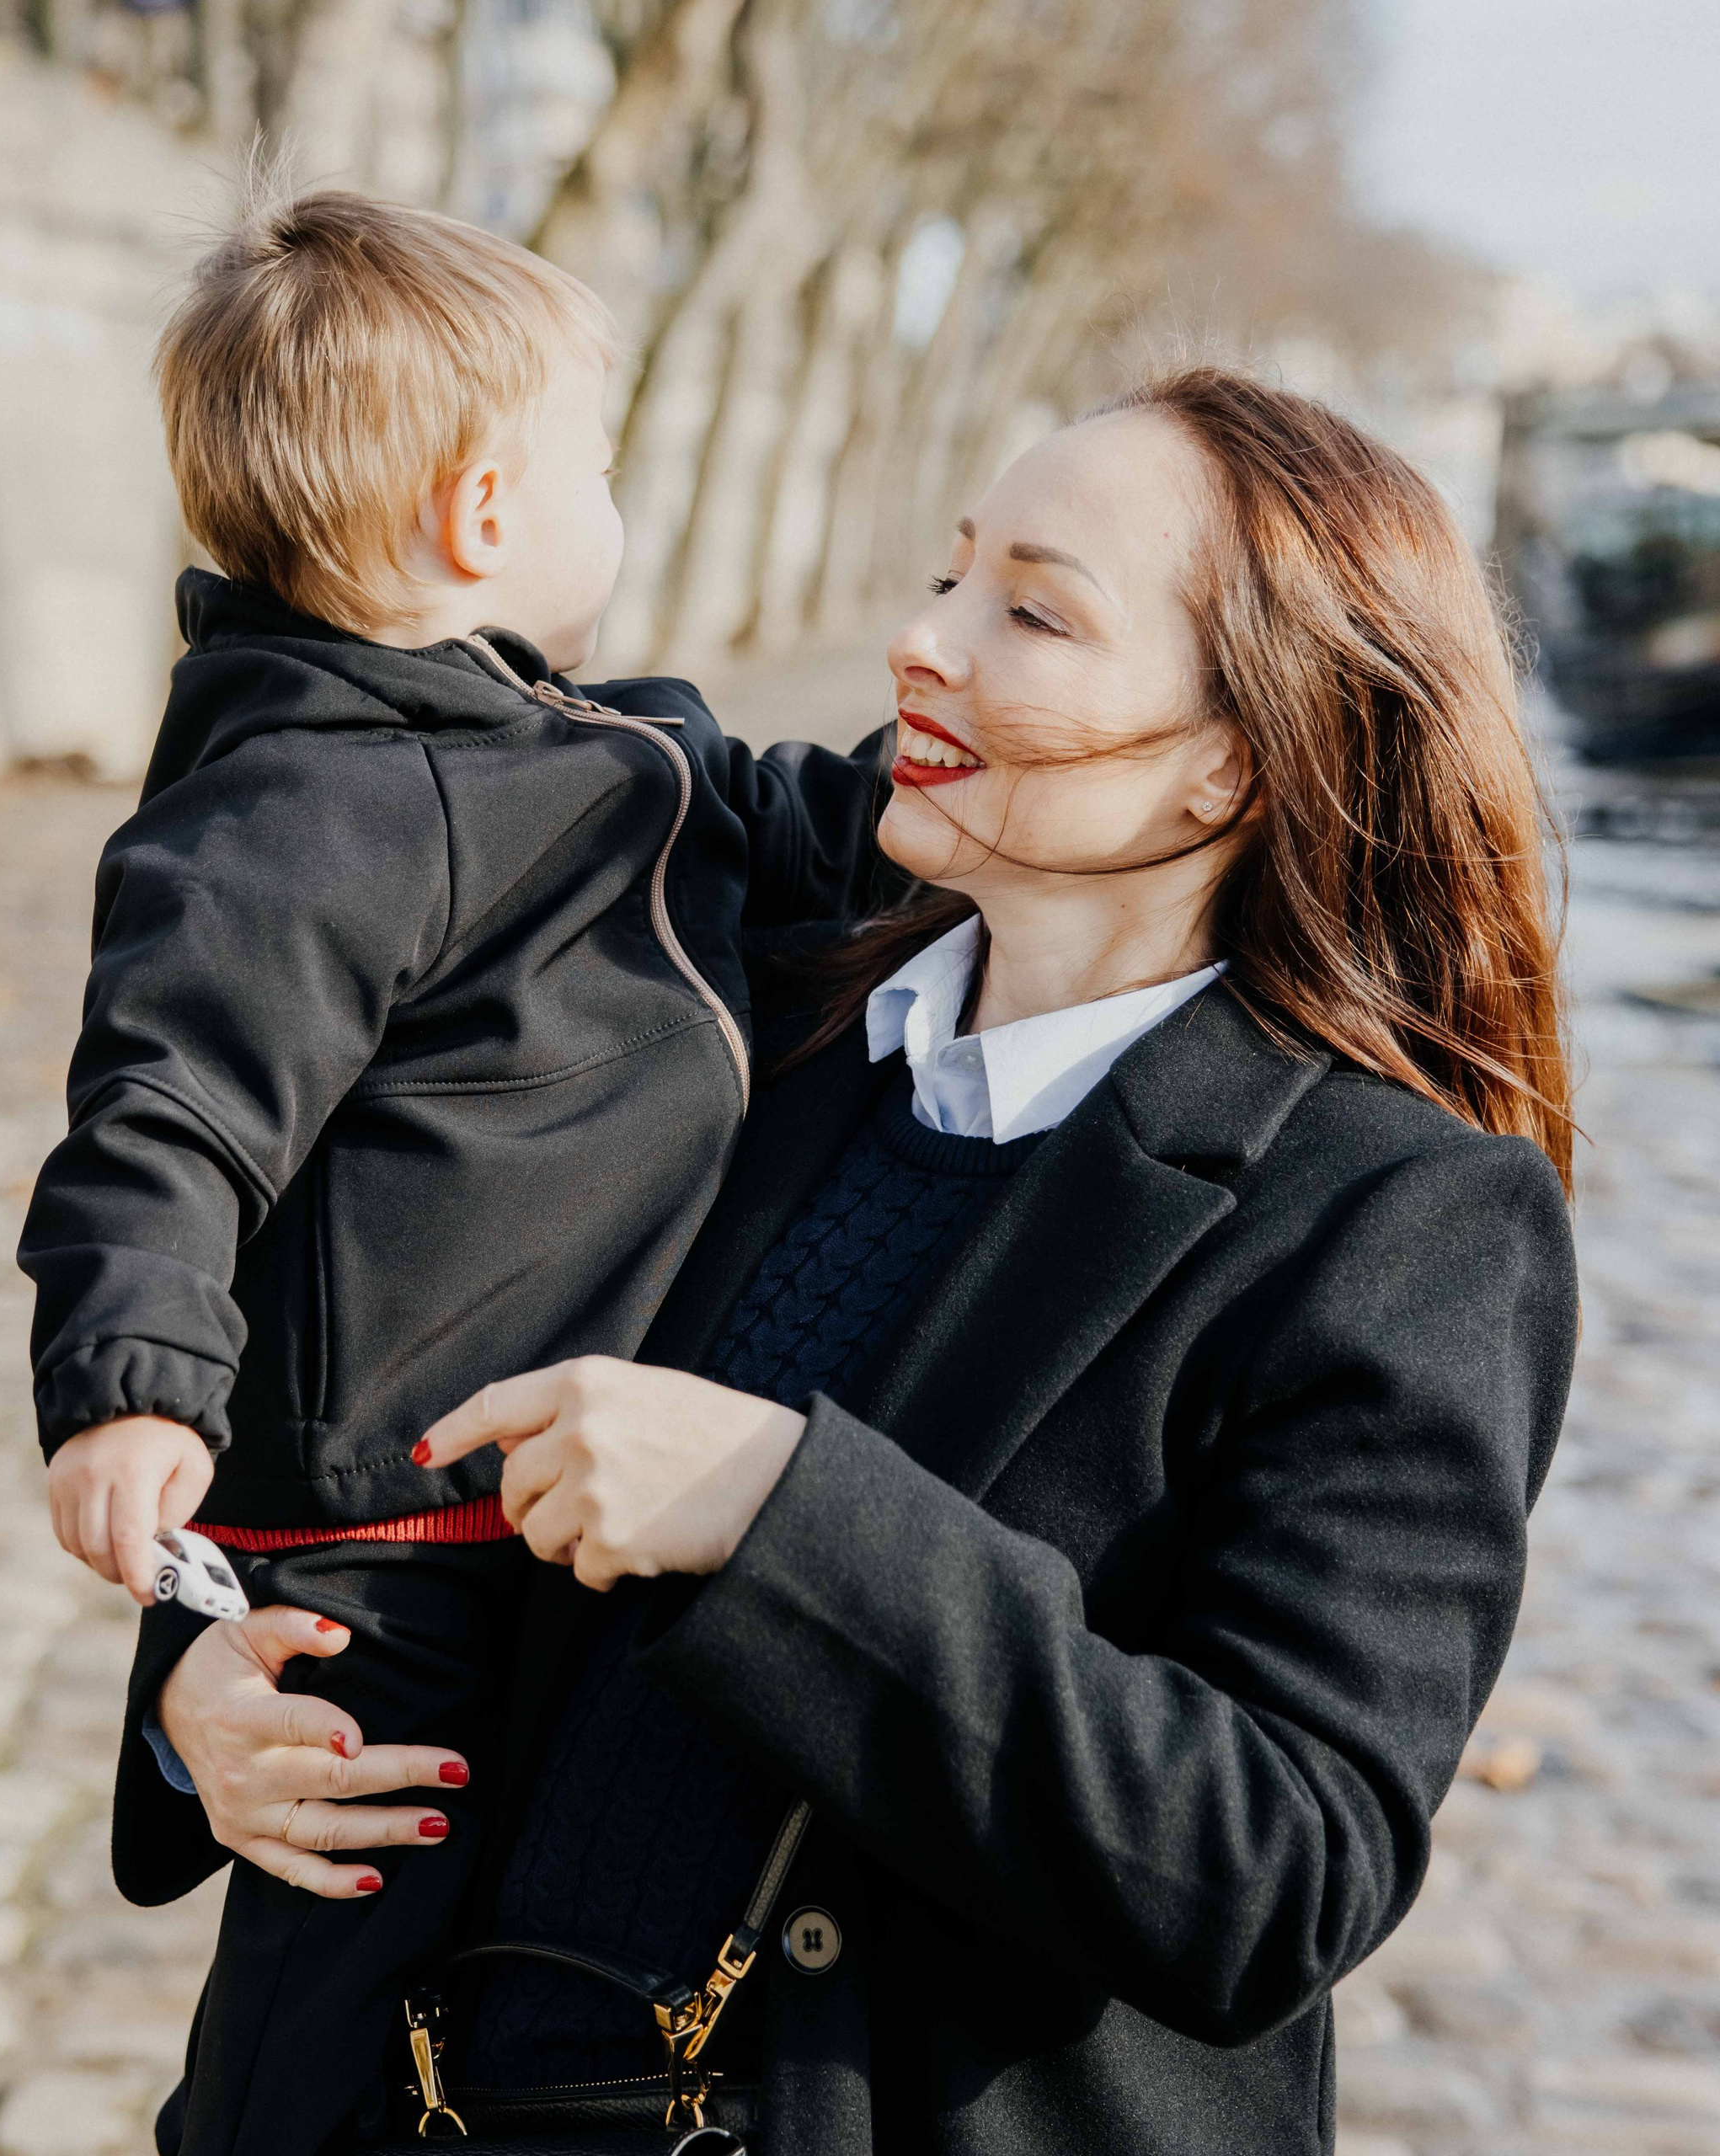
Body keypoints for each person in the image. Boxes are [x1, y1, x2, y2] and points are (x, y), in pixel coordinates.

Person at [131, 368, 1580, 2156]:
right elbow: (369, 1327)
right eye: (947, 574)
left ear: (1242, 749)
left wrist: (775, 1512)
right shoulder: (727, 999)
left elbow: (1270, 1869)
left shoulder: (1397, 1214)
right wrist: (208, 1676)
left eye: (1030, 611)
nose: (921, 639)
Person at [18, 186, 884, 2156]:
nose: (614, 499)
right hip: (392, 1538)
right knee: (333, 1973)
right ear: (483, 513)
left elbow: (808, 824)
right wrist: (128, 1379)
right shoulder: (304, 802)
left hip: (557, 1513)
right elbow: (164, 1103)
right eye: (597, 462)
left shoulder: (597, 750)